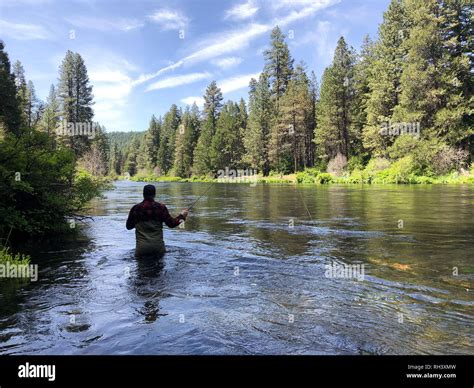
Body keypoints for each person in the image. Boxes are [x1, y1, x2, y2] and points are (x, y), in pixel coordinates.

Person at [126, 184, 189, 257]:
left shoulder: (135, 208)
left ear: (143, 194)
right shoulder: (161, 207)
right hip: (158, 249)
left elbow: (128, 226)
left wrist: (139, 220)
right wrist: (182, 216)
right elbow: (172, 224)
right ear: (154, 194)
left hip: (142, 250)